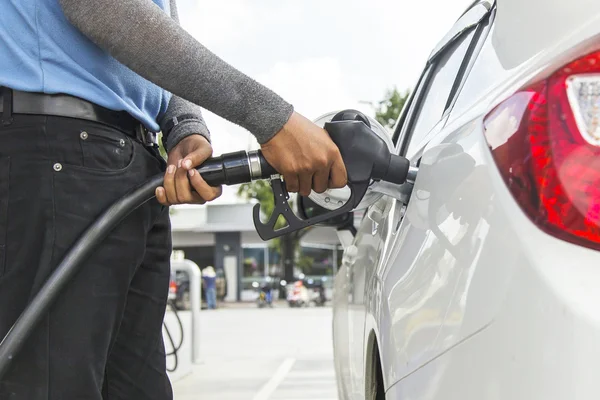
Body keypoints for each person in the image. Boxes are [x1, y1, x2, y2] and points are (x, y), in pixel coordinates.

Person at [0, 1, 348, 399]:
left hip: (129, 161)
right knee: (53, 384)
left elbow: (159, 28)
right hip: (54, 150)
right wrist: (272, 120)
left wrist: (184, 124)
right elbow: (103, 8)